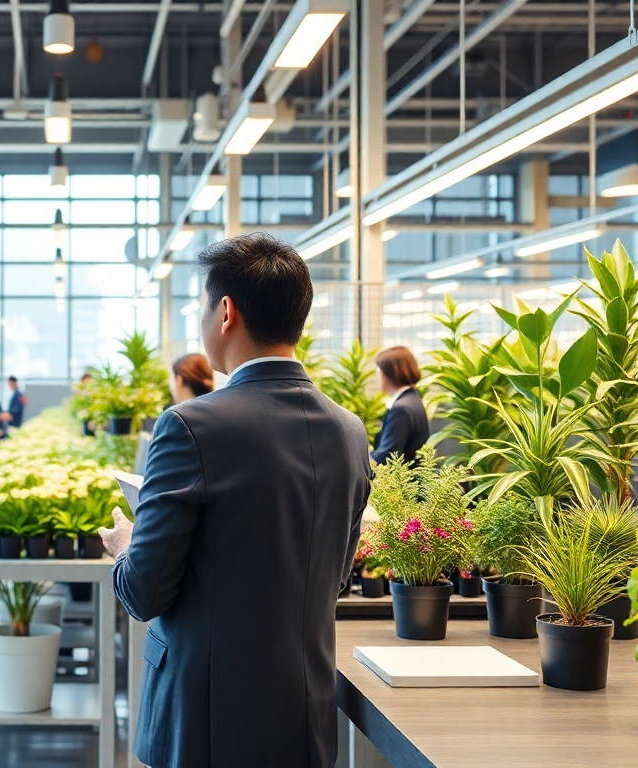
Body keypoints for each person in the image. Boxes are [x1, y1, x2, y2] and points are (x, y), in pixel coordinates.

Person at [99, 232, 371, 768]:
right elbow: (337, 576)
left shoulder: (189, 426)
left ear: (225, 312)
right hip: (306, 720)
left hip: (203, 723)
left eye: (202, 306)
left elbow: (144, 593)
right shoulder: (350, 431)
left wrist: (126, 546)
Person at [370, 346, 430, 465]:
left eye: (379, 371)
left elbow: (385, 457)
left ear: (391, 374)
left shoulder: (401, 409)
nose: (377, 377)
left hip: (402, 481)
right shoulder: (412, 399)